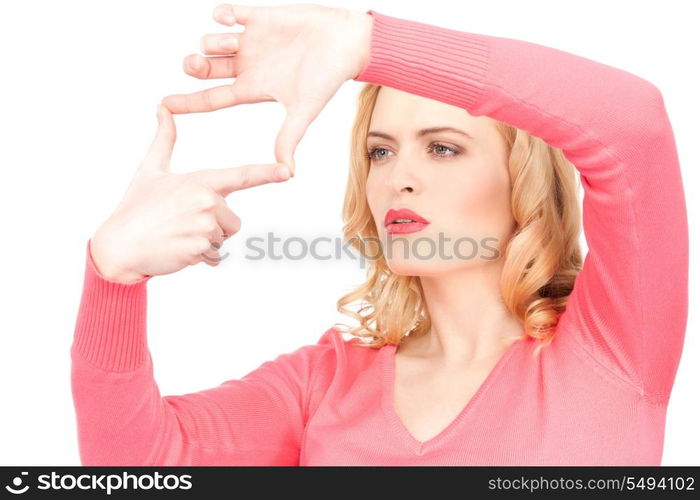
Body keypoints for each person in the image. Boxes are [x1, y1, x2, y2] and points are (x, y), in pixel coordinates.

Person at [71, 4, 688, 465]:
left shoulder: (611, 350)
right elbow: (138, 467)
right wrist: (115, 278)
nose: (400, 179)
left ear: (521, 182)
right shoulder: (324, 384)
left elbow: (632, 125)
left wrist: (368, 43)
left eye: (443, 148)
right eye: (380, 151)